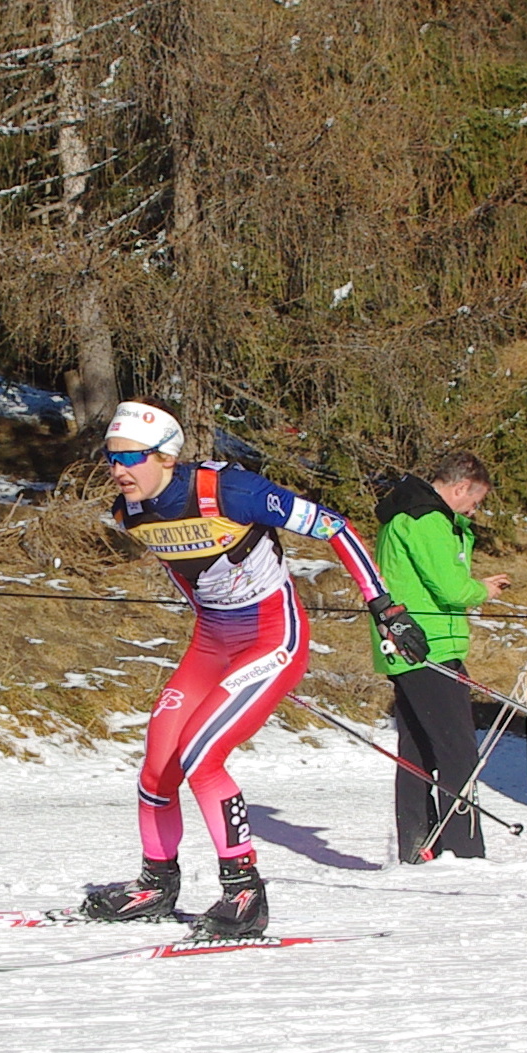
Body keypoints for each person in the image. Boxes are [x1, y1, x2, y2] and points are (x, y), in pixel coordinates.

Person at [84, 401, 428, 937]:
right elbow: (186, 568)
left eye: (132, 457)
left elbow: (335, 526)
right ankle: (156, 883)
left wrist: (385, 607)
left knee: (201, 754)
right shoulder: (130, 512)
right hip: (211, 643)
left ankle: (244, 894)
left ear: (166, 457)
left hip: (271, 636)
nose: (119, 469)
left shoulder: (229, 490)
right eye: (111, 457)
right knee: (157, 765)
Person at [372, 452, 509, 863]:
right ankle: (464, 850)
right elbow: (450, 586)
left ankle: (419, 845)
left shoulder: (413, 514)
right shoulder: (425, 518)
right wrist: (481, 590)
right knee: (458, 752)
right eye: (475, 501)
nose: (473, 510)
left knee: (417, 751)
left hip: (416, 647)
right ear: (461, 486)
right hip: (426, 647)